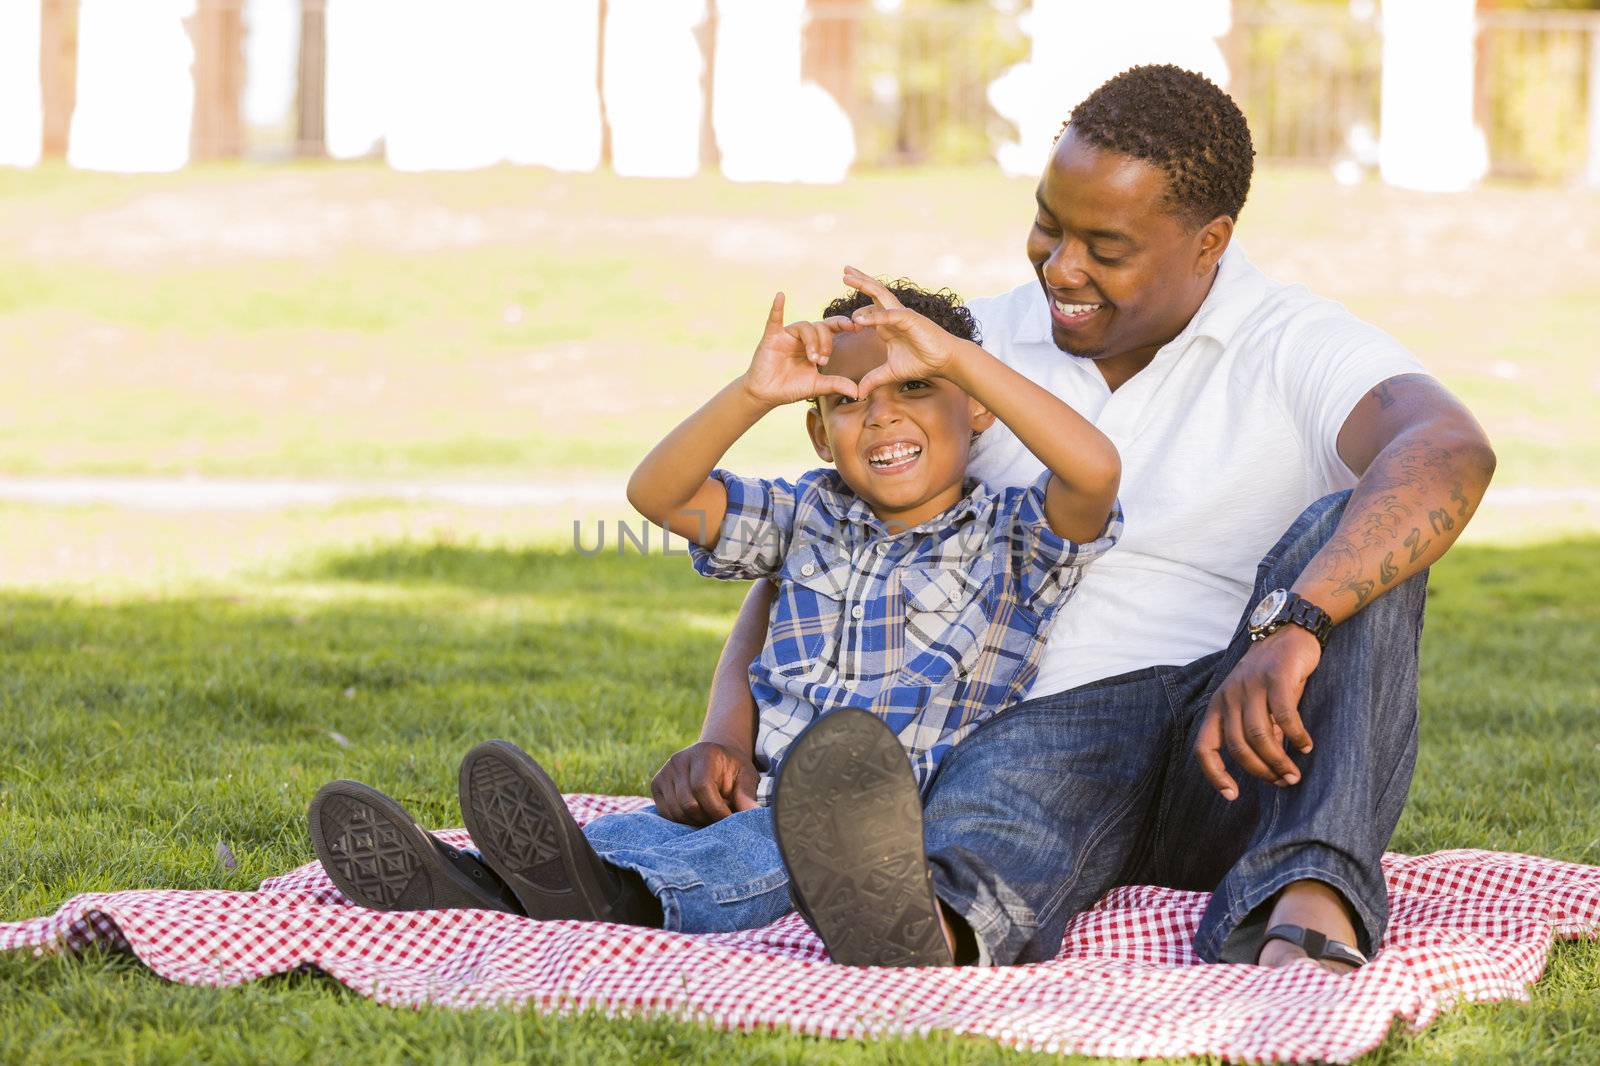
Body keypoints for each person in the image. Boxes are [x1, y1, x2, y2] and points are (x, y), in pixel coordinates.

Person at [652, 65, 1497, 972]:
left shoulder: (1293, 340)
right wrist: (724, 733)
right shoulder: (958, 350)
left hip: (1249, 750)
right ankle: (931, 927)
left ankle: (1307, 903)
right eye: (1049, 224)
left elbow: (1447, 451)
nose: (1061, 266)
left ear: (1210, 241)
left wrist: (1297, 623)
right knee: (1025, 775)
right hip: (1039, 745)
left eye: (1105, 244)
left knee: (1357, 527)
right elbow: (826, 545)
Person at [306, 276, 1122, 951]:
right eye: (848, 400)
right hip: (756, 793)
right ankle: (473, 884)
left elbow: (1094, 472)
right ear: (817, 429)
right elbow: (657, 495)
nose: (882, 416)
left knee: (754, 850)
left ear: (975, 406)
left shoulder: (1015, 535)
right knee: (643, 833)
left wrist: (963, 360)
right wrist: (751, 393)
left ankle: (614, 903)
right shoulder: (808, 513)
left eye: (916, 387)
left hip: (870, 829)